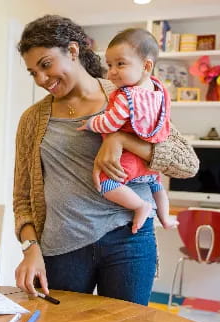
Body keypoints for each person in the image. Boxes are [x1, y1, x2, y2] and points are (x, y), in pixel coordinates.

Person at [14, 15, 199, 305]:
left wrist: (121, 139)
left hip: (129, 240)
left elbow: (187, 163)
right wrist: (30, 248)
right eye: (32, 72)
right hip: (62, 247)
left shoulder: (130, 93)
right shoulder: (32, 120)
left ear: (73, 51)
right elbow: (22, 198)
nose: (41, 79)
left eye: (46, 64)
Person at [77, 28, 178, 234]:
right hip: (149, 160)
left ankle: (140, 205)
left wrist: (90, 124)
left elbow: (110, 124)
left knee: (105, 184)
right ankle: (166, 218)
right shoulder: (159, 92)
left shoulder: (126, 96)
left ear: (146, 65)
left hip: (129, 160)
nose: (112, 71)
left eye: (120, 64)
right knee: (157, 185)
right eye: (110, 65)